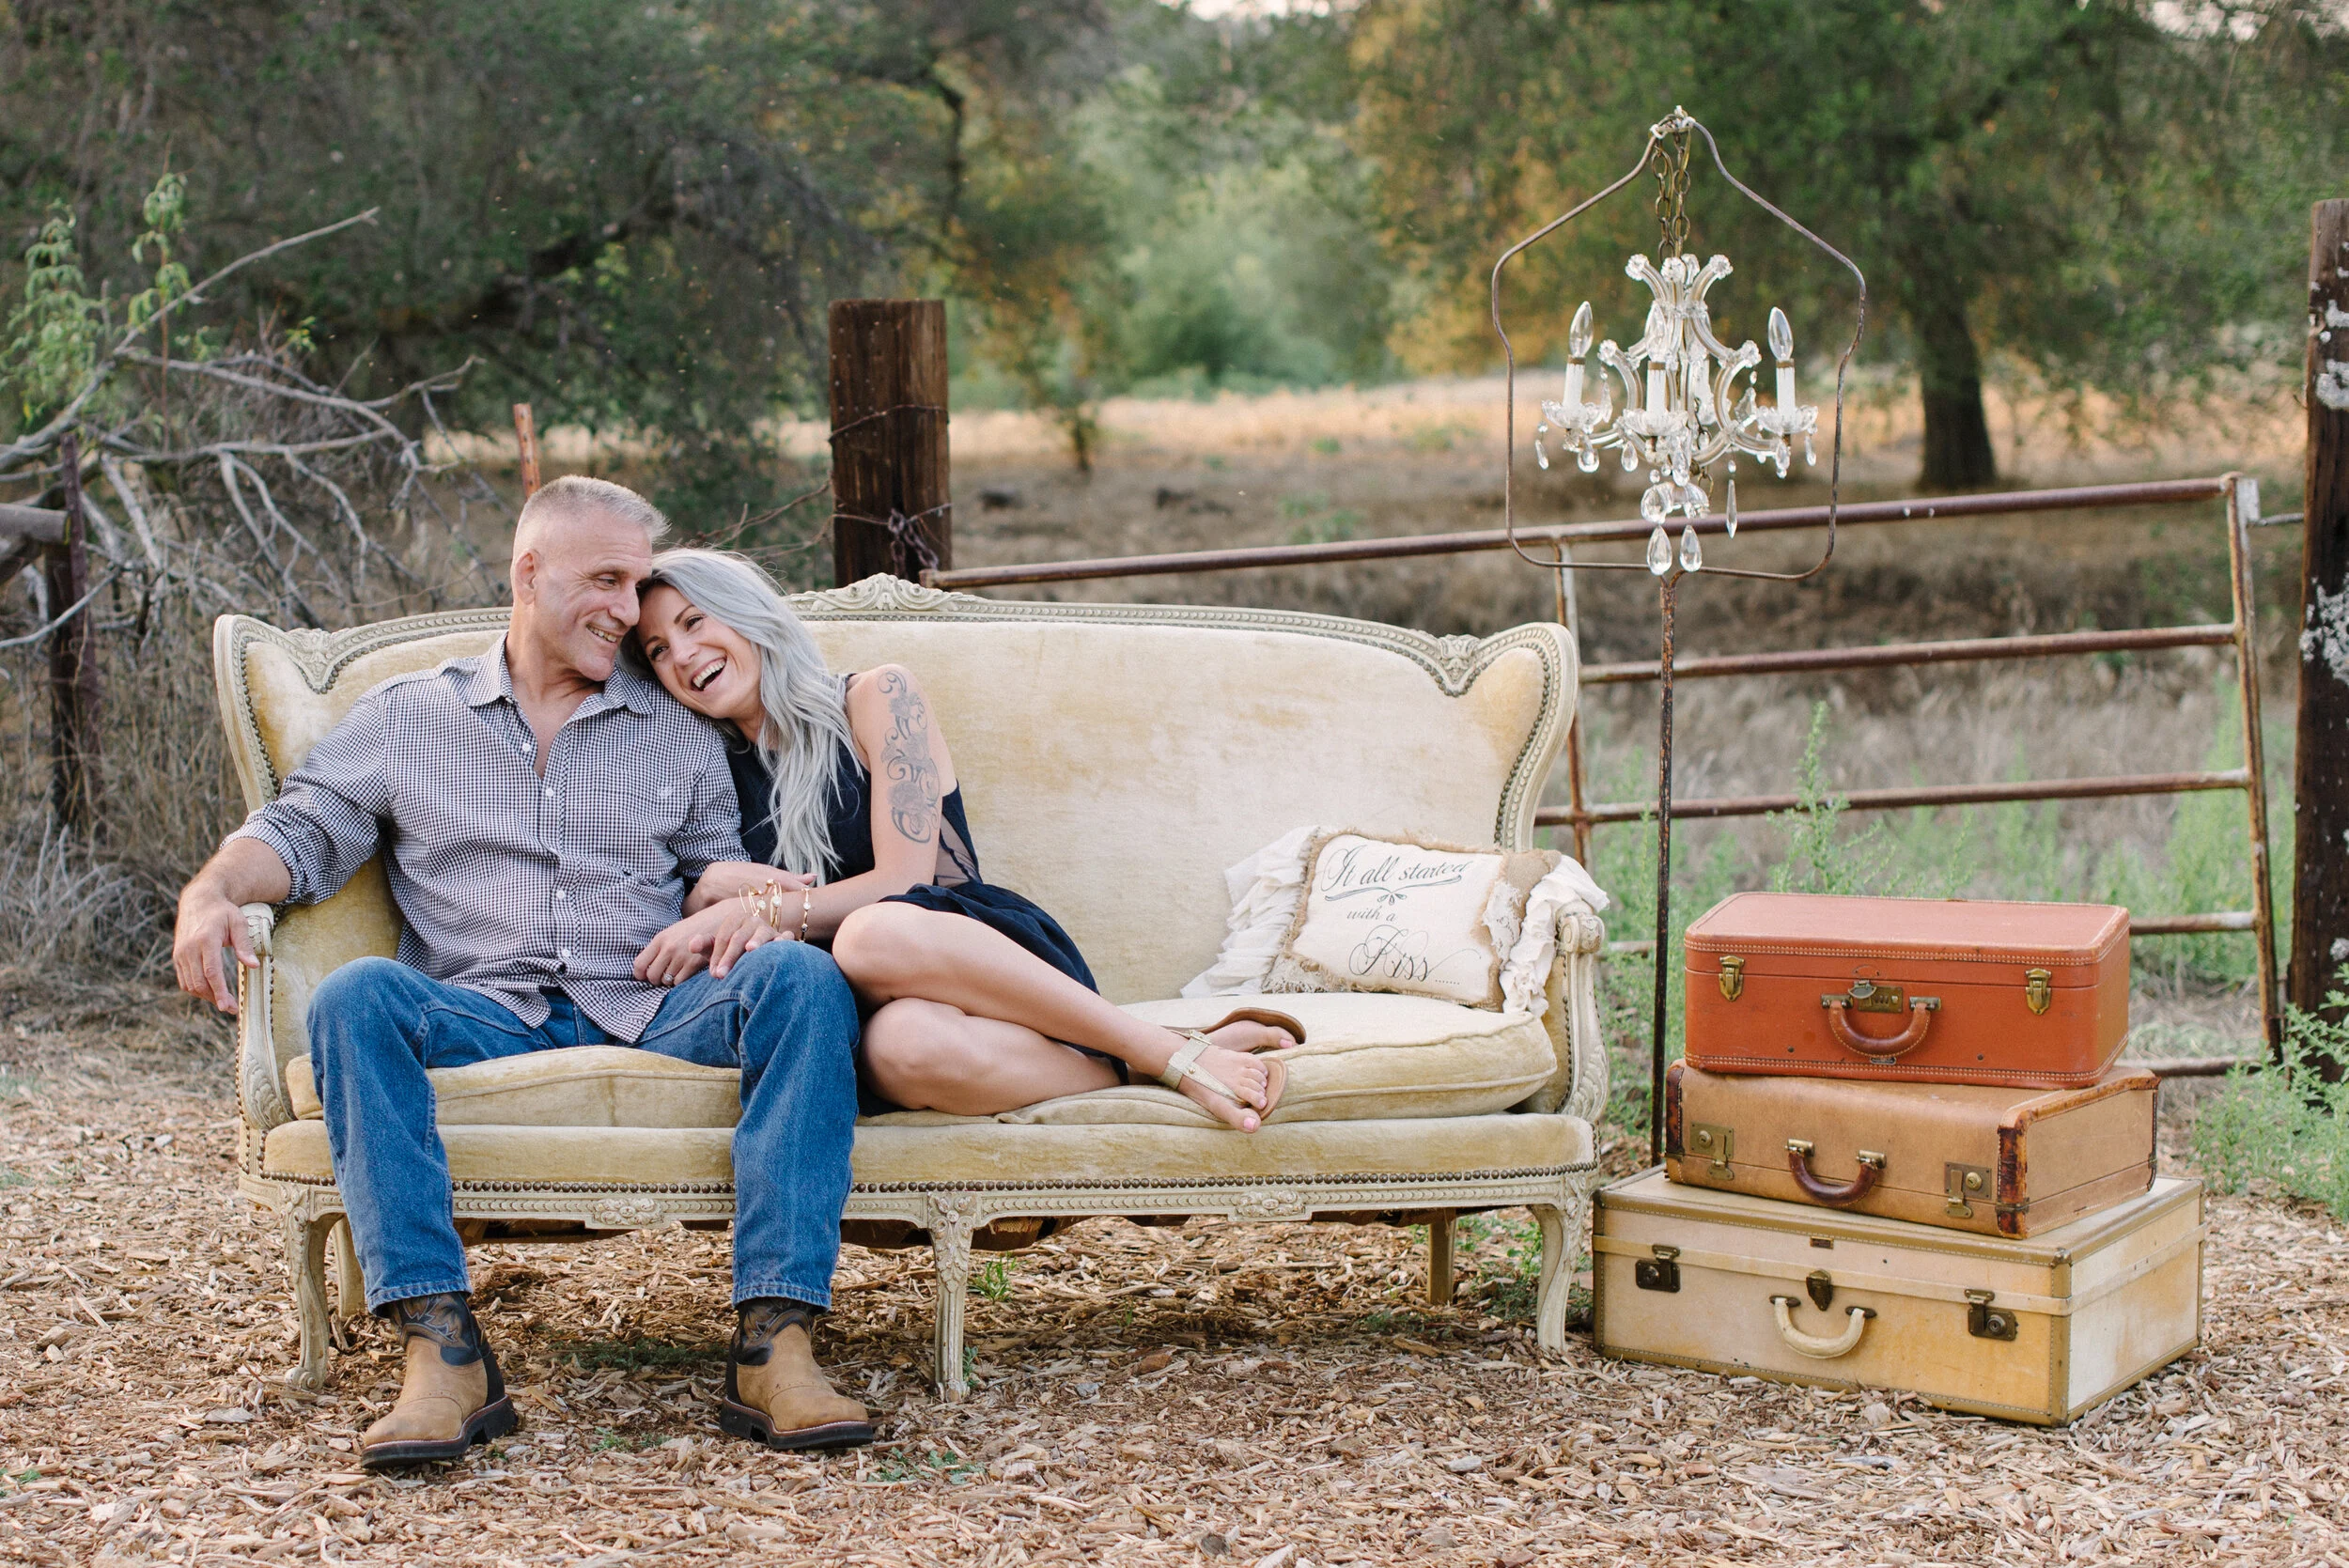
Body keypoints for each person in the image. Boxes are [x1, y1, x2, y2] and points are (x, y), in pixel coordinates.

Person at [171, 478, 875, 1467]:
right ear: (528, 572)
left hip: (651, 1000)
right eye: (605, 580)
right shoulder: (411, 717)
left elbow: (711, 866)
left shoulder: (676, 723)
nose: (629, 613)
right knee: (354, 997)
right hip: (481, 1008)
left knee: (804, 983)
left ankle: (776, 1342)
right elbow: (298, 830)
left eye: (637, 586)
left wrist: (744, 906)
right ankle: (442, 1347)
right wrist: (208, 893)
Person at [627, 548, 1302, 1126]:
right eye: (658, 650)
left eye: (694, 622)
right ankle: (1140, 1063)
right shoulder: (697, 766)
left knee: (872, 932)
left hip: (962, 951)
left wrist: (764, 907)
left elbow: (901, 882)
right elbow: (699, 918)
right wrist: (706, 897)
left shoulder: (876, 696)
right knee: (900, 1048)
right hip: (860, 1001)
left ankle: (1171, 1056)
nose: (683, 655)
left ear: (748, 613)